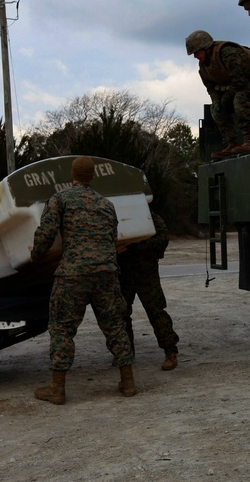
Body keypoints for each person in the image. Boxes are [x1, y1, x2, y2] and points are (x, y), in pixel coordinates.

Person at [29, 155, 137, 404]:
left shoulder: (61, 199)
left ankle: (57, 388)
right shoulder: (106, 204)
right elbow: (112, 238)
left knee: (62, 328)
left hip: (73, 275)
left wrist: (35, 256)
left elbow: (46, 233)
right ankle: (128, 381)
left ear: (73, 175)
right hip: (106, 273)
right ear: (92, 177)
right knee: (115, 325)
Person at [186, 29, 250, 158]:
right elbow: (211, 89)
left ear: (205, 47)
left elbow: (239, 81)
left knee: (241, 98)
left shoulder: (228, 52)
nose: (195, 57)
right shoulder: (204, 68)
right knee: (216, 109)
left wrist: (225, 99)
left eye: (197, 52)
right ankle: (232, 143)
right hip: (238, 82)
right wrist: (217, 101)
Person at [117, 211, 180, 370]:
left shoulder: (150, 217)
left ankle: (170, 352)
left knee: (156, 312)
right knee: (121, 314)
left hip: (146, 274)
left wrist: (141, 245)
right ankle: (126, 353)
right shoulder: (114, 216)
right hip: (123, 274)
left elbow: (162, 240)